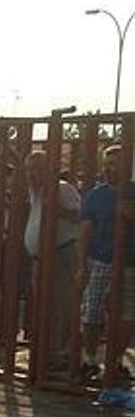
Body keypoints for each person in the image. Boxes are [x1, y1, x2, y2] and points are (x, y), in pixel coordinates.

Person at [78, 145, 135, 401]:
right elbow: (85, 231)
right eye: (108, 163)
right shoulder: (96, 195)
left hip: (131, 262)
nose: (111, 168)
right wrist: (82, 265)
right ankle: (90, 359)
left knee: (127, 314)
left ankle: (114, 360)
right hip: (101, 259)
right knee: (92, 310)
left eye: (117, 163)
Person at [16, 151, 80, 371]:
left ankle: (64, 356)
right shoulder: (36, 192)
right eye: (28, 170)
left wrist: (57, 210)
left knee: (63, 306)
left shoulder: (62, 189)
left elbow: (80, 217)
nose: (31, 175)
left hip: (61, 253)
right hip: (40, 258)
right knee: (45, 306)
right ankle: (48, 354)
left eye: (36, 169)